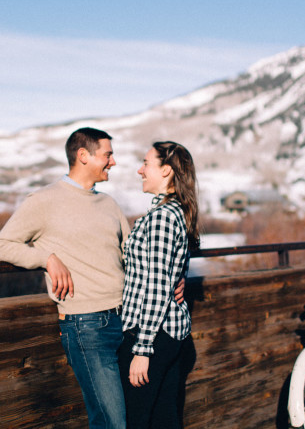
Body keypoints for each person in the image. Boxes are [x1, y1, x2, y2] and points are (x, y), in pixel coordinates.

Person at [0, 127, 130, 429]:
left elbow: (131, 256)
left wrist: (174, 278)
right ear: (83, 155)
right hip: (86, 326)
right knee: (113, 422)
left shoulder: (109, 204)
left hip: (127, 319)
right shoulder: (44, 201)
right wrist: (46, 258)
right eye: (108, 155)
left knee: (129, 417)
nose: (113, 162)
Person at [118, 141, 199, 429]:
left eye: (146, 163)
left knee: (140, 421)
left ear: (166, 171)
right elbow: (169, 270)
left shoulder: (163, 218)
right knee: (165, 419)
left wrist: (142, 349)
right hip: (168, 333)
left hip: (151, 334)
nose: (140, 170)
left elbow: (156, 286)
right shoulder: (174, 212)